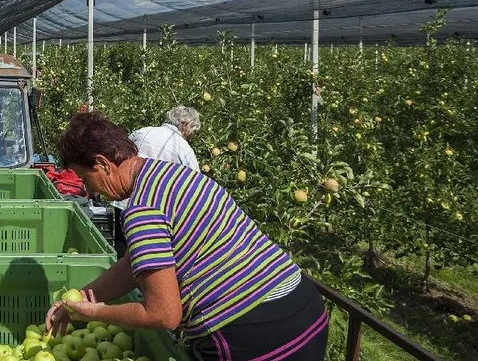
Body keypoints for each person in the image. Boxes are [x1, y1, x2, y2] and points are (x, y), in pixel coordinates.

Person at [46, 113, 326, 361]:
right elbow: (136, 264)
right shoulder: (170, 174)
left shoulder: (142, 210)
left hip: (254, 333)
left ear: (103, 163)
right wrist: (83, 298)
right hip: (302, 307)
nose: (90, 190)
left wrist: (93, 313)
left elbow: (163, 314)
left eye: (86, 178)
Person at [111, 106, 201, 255]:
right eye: (192, 130)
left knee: (122, 248)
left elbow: (120, 156)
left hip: (124, 199)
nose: (190, 135)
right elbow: (196, 183)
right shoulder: (184, 148)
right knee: (143, 253)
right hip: (151, 209)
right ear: (185, 125)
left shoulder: (143, 132)